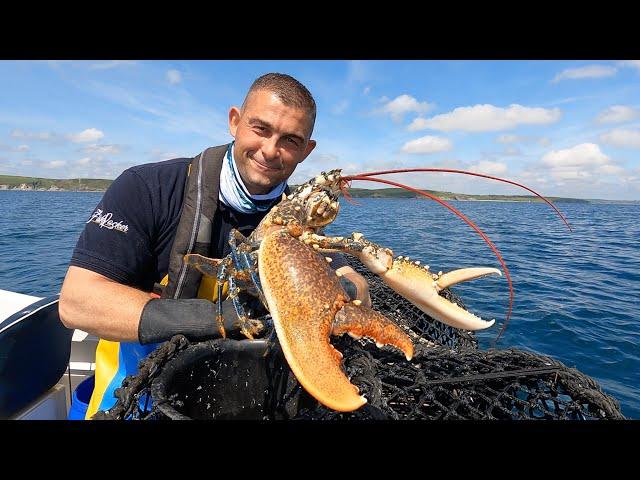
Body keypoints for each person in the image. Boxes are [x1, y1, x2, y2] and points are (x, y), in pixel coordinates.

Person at [58, 72, 371, 419]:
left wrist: (348, 285)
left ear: (306, 150)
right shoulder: (148, 187)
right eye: (260, 128)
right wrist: (222, 318)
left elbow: (346, 274)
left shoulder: (297, 218)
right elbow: (77, 302)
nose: (270, 150)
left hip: (246, 402)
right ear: (234, 121)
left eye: (290, 140)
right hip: (133, 399)